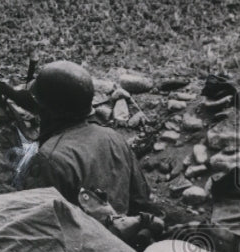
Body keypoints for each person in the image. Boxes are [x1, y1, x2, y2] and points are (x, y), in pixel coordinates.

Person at [23, 60, 152, 216]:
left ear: (46, 110)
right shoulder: (114, 137)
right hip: (122, 235)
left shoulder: (50, 158)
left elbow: (36, 223)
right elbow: (142, 200)